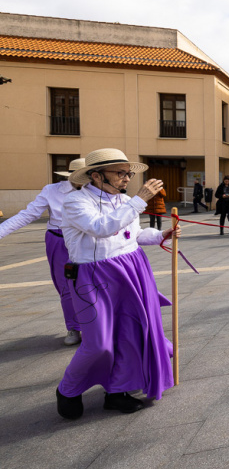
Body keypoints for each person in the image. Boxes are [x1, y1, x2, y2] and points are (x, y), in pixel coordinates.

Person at [58, 148, 180, 419]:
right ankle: (67, 389)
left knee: (129, 333)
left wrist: (162, 234)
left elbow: (132, 234)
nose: (127, 178)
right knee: (98, 342)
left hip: (130, 267)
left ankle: (116, 392)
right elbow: (101, 227)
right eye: (120, 173)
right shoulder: (75, 202)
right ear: (96, 175)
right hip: (92, 276)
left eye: (128, 173)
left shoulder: (123, 201)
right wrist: (139, 201)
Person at [0, 157, 86, 346]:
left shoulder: (95, 190)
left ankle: (93, 327)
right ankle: (73, 327)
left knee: (91, 283)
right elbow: (27, 215)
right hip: (58, 240)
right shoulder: (51, 190)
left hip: (85, 240)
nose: (84, 180)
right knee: (65, 286)